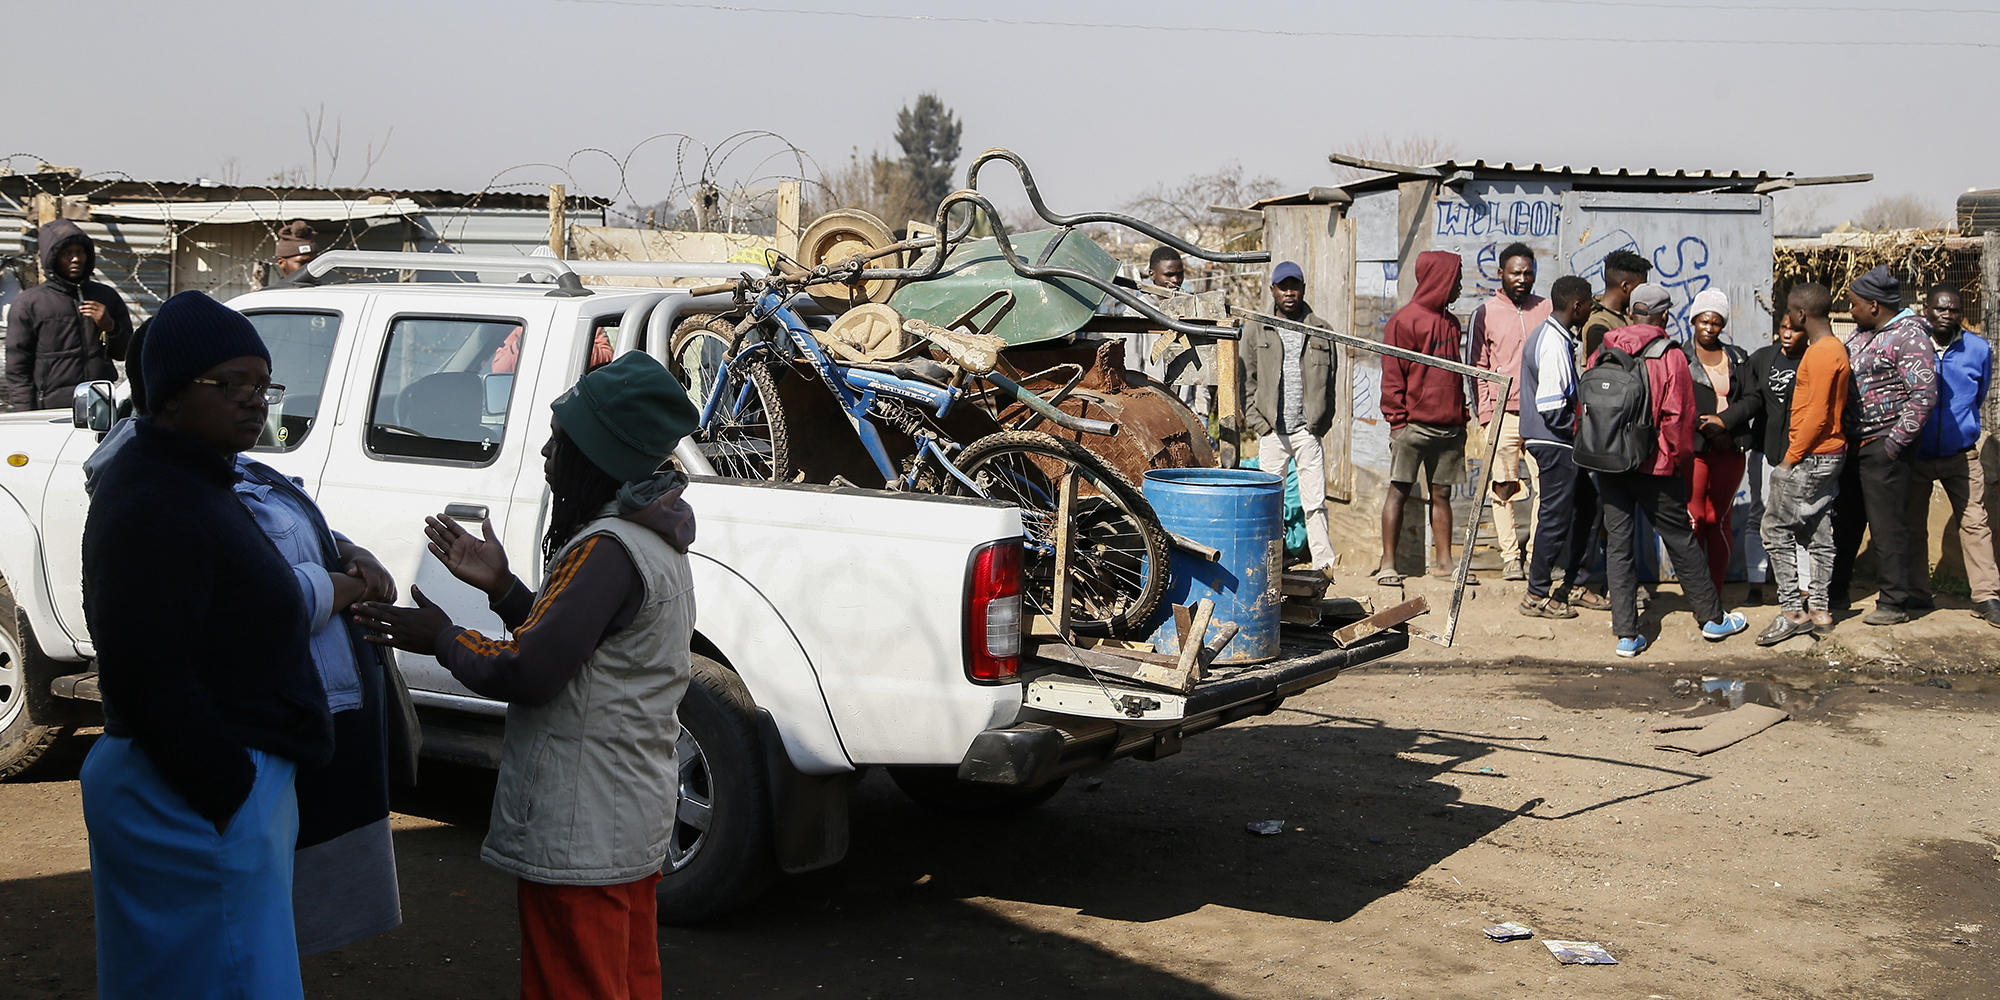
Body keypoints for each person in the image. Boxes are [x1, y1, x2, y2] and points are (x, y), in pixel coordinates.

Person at [355, 351, 700, 1000]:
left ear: (598, 454)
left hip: (584, 825)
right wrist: (507, 589)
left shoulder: (607, 549)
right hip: (624, 814)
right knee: (624, 982)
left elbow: (533, 671)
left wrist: (444, 638)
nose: (545, 452)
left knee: (575, 985)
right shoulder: (649, 538)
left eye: (561, 440)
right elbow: (586, 654)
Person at [80, 290, 333, 999]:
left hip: (208, 792)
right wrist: (225, 791)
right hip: (187, 797)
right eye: (233, 384)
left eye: (264, 384)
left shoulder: (199, 480)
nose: (256, 401)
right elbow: (144, 668)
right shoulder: (152, 497)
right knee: (222, 979)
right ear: (167, 396)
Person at [1590, 283, 1748, 656]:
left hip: (1610, 462)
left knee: (1619, 544)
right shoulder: (1670, 355)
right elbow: (1679, 419)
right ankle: (1712, 619)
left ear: (1631, 312)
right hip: (1656, 465)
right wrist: (1682, 464)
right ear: (1664, 316)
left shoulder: (1603, 348)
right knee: (1680, 539)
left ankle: (1627, 635)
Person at [1826, 266, 1939, 626]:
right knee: (1845, 523)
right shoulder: (1862, 335)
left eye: (1855, 304)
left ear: (1874, 306)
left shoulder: (1909, 337)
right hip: (1854, 445)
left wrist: (1894, 444)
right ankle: (1836, 592)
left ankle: (1893, 601)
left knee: (1887, 526)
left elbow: (1924, 395)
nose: (1850, 309)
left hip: (1884, 446)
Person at [1755, 285, 1852, 645]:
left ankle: (1793, 611)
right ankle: (1821, 611)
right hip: (1827, 454)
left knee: (1775, 528)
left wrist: (1789, 460)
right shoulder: (1829, 349)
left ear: (1800, 316)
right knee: (1817, 527)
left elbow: (1817, 414)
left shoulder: (1823, 353)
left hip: (1813, 456)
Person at [1904, 282, 1998, 628]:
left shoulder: (1978, 349)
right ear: (1926, 309)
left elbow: (1979, 394)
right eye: (1940, 308)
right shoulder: (1912, 346)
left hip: (1962, 454)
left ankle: (1987, 596)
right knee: (1913, 525)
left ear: (1962, 314)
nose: (1947, 315)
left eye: (1953, 310)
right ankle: (1917, 592)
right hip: (1917, 453)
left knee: (1975, 523)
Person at [1376, 250, 1471, 585]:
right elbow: (1392, 375)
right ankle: (1389, 564)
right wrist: (1397, 422)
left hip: (1450, 428)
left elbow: (1456, 375)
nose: (1459, 286)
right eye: (1455, 279)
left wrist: (1461, 415)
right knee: (1399, 491)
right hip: (1413, 427)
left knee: (1442, 495)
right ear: (1440, 280)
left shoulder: (1452, 322)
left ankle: (1444, 564)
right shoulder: (1404, 321)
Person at [1719, 291, 1816, 608]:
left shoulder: (1813, 361)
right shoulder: (1762, 358)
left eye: (1795, 329)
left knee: (1799, 521)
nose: (1788, 334)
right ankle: (1756, 586)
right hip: (1762, 452)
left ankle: (1803, 589)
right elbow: (1747, 399)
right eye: (1784, 328)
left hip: (1800, 456)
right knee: (1758, 518)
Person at [1241, 261, 1339, 574]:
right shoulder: (1258, 328)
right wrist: (1261, 425)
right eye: (1283, 287)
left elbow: (1332, 383)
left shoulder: (1321, 330)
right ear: (1273, 290)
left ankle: (1324, 565)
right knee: (1269, 503)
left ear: (1303, 289)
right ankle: (1270, 562)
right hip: (1272, 431)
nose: (1289, 293)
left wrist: (1320, 424)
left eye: (1294, 286)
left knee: (1315, 501)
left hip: (1307, 431)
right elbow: (1245, 380)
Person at [1517, 275, 1601, 618]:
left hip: (1559, 441)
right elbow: (1552, 406)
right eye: (1589, 303)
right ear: (1576, 306)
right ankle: (1536, 595)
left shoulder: (1557, 337)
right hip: (1555, 442)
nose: (1592, 309)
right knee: (1554, 516)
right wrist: (1581, 436)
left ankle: (1574, 584)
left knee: (1589, 505)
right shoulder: (1552, 341)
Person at [1468, 242, 1552, 581]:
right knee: (1503, 487)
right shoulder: (1485, 312)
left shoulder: (1546, 309)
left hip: (1542, 416)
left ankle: (1536, 557)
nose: (1522, 278)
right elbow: (1476, 365)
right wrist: (1487, 415)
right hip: (1503, 417)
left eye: (1528, 272)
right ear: (1501, 273)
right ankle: (1510, 557)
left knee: (1546, 487)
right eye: (1515, 272)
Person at [6, 219, 134, 411]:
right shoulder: (30, 303)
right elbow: (17, 368)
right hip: (50, 411)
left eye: (80, 252)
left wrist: (111, 327)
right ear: (52, 257)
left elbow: (126, 353)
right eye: (66, 253)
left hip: (99, 407)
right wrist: (26, 414)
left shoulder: (106, 297)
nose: (75, 259)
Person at [1683, 288, 1753, 594]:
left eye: (1716, 323)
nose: (1709, 328)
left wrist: (1724, 423)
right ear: (1694, 320)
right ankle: (1697, 591)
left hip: (1730, 449)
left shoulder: (1737, 358)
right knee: (1694, 518)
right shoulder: (1679, 357)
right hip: (1695, 451)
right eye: (1704, 321)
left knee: (1718, 518)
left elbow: (1753, 399)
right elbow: (1675, 401)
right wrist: (1705, 425)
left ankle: (1717, 590)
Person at [1582, 248, 1651, 361]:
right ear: (1625, 286)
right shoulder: (1598, 325)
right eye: (1640, 287)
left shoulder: (1627, 314)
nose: (1643, 292)